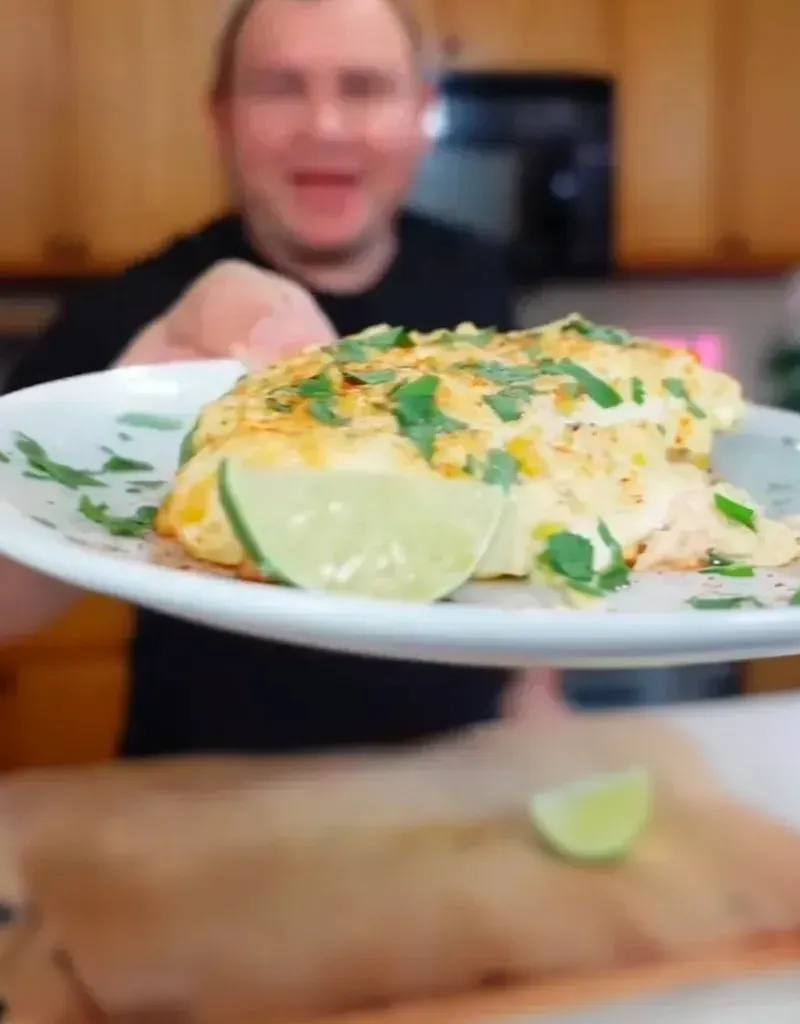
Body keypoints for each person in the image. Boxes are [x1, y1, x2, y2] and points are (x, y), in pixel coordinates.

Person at [0, 0, 563, 757]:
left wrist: (538, 694)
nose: (325, 126)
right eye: (279, 87)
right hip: (211, 799)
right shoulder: (133, 314)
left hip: (457, 775)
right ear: (221, 119)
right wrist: (127, 411)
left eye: (364, 86)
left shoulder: (479, 283)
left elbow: (519, 514)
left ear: (420, 116)